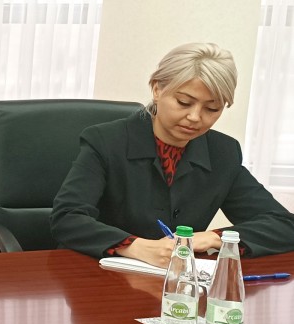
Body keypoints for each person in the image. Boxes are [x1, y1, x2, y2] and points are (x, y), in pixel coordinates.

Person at [52, 42, 294, 264]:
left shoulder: (222, 152)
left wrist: (213, 238)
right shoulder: (106, 141)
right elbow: (67, 218)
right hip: (100, 275)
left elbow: (283, 225)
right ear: (157, 89)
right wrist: (134, 247)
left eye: (212, 109)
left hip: (178, 282)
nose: (195, 117)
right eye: (184, 102)